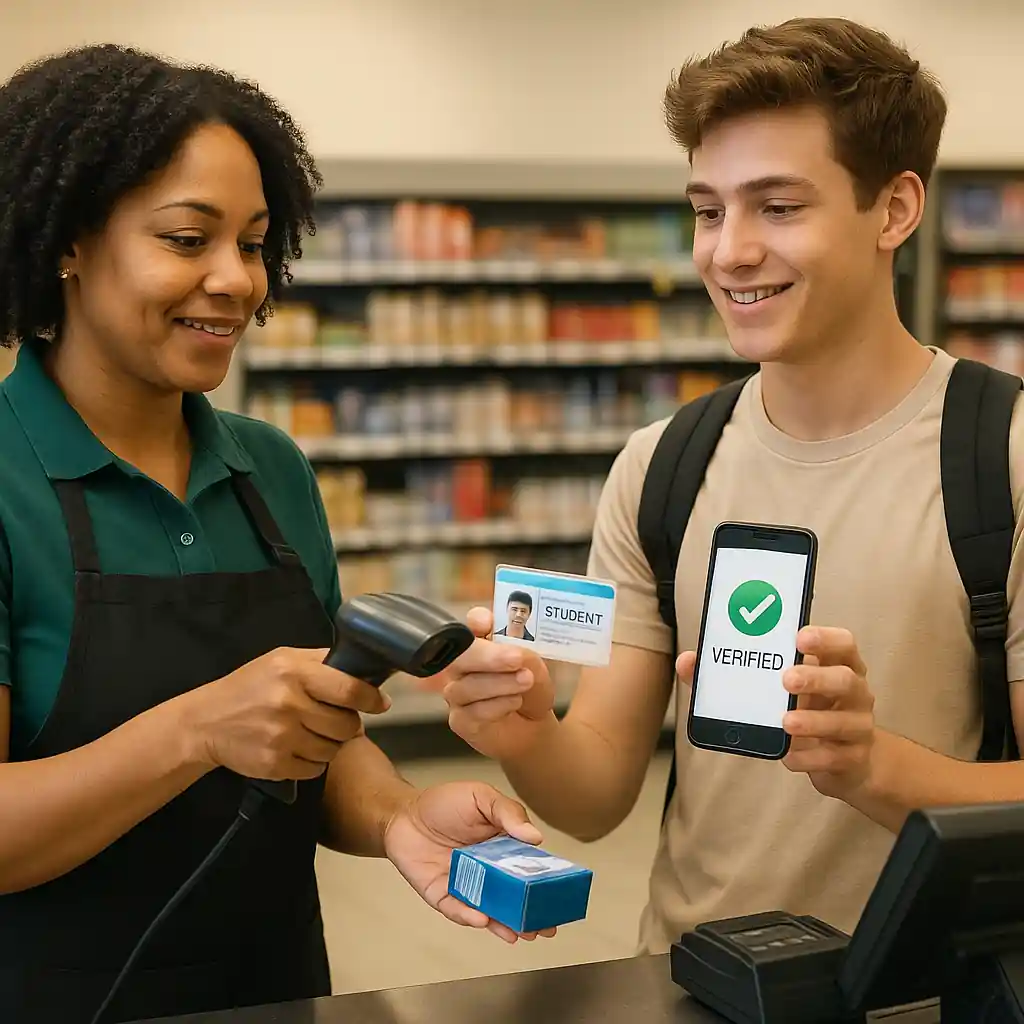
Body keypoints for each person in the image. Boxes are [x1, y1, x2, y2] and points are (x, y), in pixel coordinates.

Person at [440, 16, 1024, 955]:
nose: (728, 253)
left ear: (896, 209)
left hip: (923, 996)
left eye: (778, 207)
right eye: (709, 210)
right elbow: (595, 796)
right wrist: (519, 729)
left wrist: (873, 767)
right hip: (687, 980)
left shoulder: (1003, 455)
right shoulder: (661, 465)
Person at [0, 44, 553, 1024]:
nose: (235, 281)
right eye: (185, 238)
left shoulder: (272, 469)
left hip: (279, 987)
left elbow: (312, 738)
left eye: (253, 243)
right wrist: (196, 730)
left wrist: (397, 817)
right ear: (65, 243)